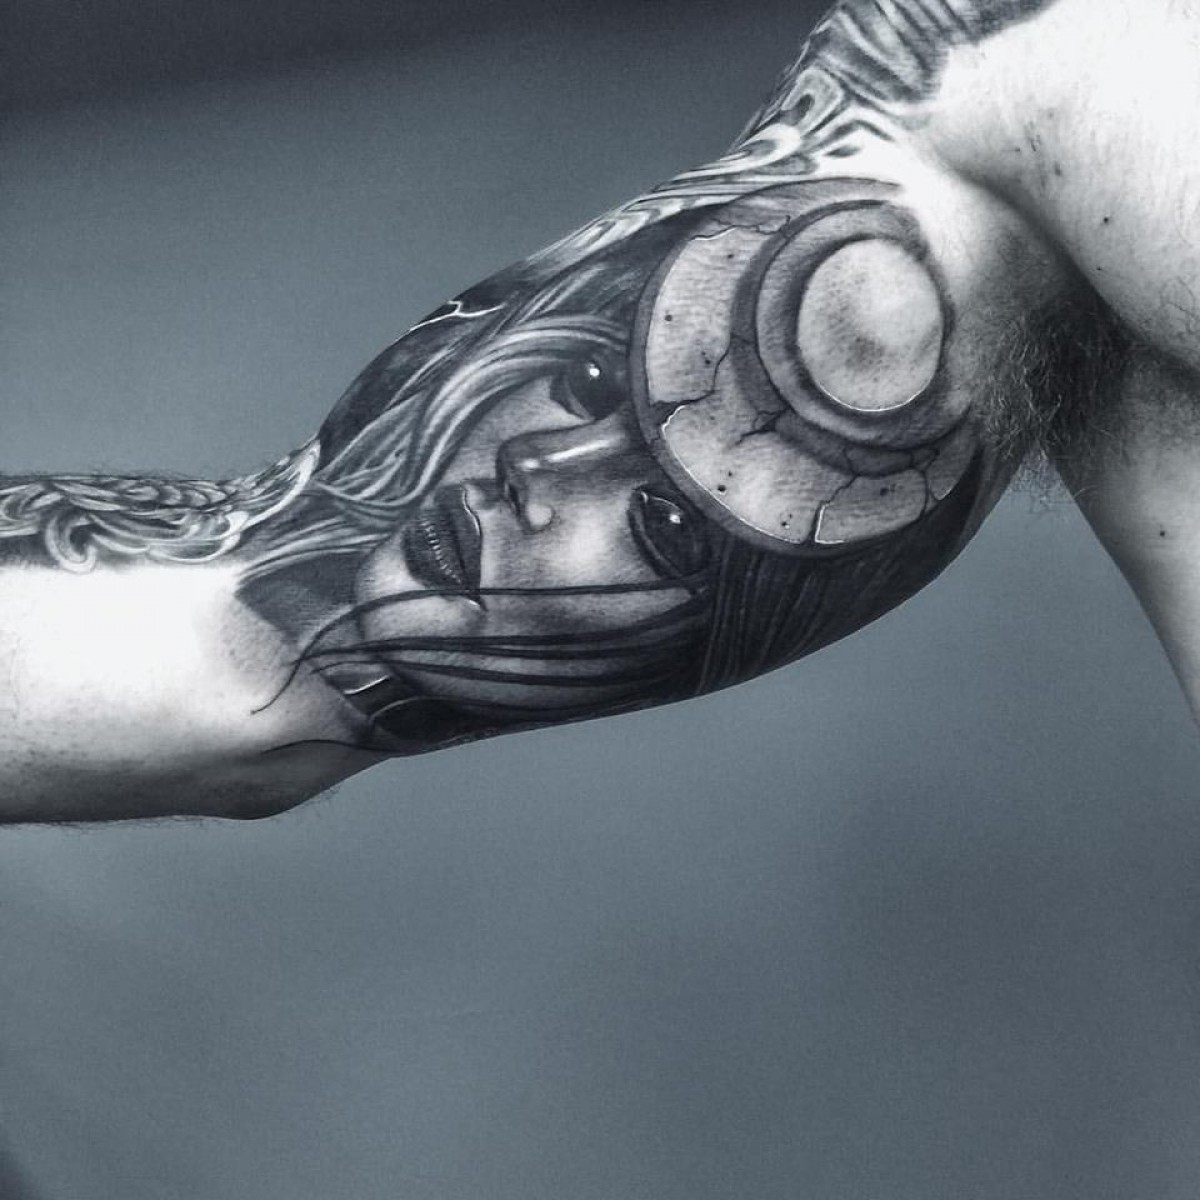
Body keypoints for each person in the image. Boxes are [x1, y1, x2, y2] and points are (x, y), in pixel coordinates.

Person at [0, 0, 1190, 822]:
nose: (539, 467)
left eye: (666, 522)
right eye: (578, 390)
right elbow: (229, 652)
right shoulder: (1052, 73)